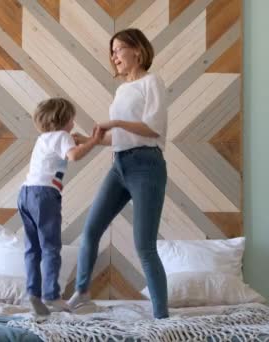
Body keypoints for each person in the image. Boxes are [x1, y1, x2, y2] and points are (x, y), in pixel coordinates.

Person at [68, 28, 170, 319]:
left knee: (144, 246)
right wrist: (86, 140)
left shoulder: (152, 82)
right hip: (120, 165)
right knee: (90, 230)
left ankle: (162, 316)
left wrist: (115, 122)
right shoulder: (122, 89)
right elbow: (119, 138)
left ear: (137, 50)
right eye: (111, 52)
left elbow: (154, 129)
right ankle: (83, 293)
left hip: (147, 166)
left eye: (118, 50)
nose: (114, 57)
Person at [18, 97, 104, 316]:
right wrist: (93, 142)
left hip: (26, 193)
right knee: (51, 247)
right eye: (72, 120)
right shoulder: (63, 136)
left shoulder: (43, 138)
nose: (73, 124)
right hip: (45, 195)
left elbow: (63, 152)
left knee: (32, 248)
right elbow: (74, 156)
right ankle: (51, 295)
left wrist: (78, 141)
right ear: (65, 119)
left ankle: (33, 293)